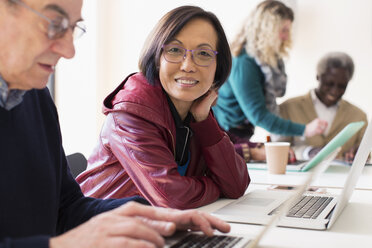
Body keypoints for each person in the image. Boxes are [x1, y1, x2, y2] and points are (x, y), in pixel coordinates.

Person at [0, 0, 231, 247]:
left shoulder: (34, 95)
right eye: (54, 24)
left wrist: (147, 215)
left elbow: (66, 208)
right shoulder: (133, 110)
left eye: (72, 28)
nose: (69, 51)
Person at [77, 5, 250, 209]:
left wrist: (204, 122)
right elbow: (172, 197)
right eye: (175, 50)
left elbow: (236, 185)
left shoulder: (194, 110)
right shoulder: (130, 114)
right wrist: (217, 187)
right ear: (157, 59)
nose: (188, 66)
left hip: (155, 228)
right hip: (102, 232)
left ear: (217, 67)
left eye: (203, 53)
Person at [212, 0, 327, 156]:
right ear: (267, 30)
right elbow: (260, 116)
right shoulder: (244, 62)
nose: (286, 37)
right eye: (283, 30)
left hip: (242, 132)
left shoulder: (267, 60)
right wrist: (305, 130)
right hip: (225, 134)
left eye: (288, 30)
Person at [273, 52, 368, 163]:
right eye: (329, 83)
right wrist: (307, 152)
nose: (335, 91)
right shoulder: (288, 108)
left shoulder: (358, 116)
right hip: (298, 178)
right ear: (318, 76)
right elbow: (276, 149)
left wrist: (361, 153)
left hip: (342, 178)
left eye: (342, 86)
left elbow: (366, 151)